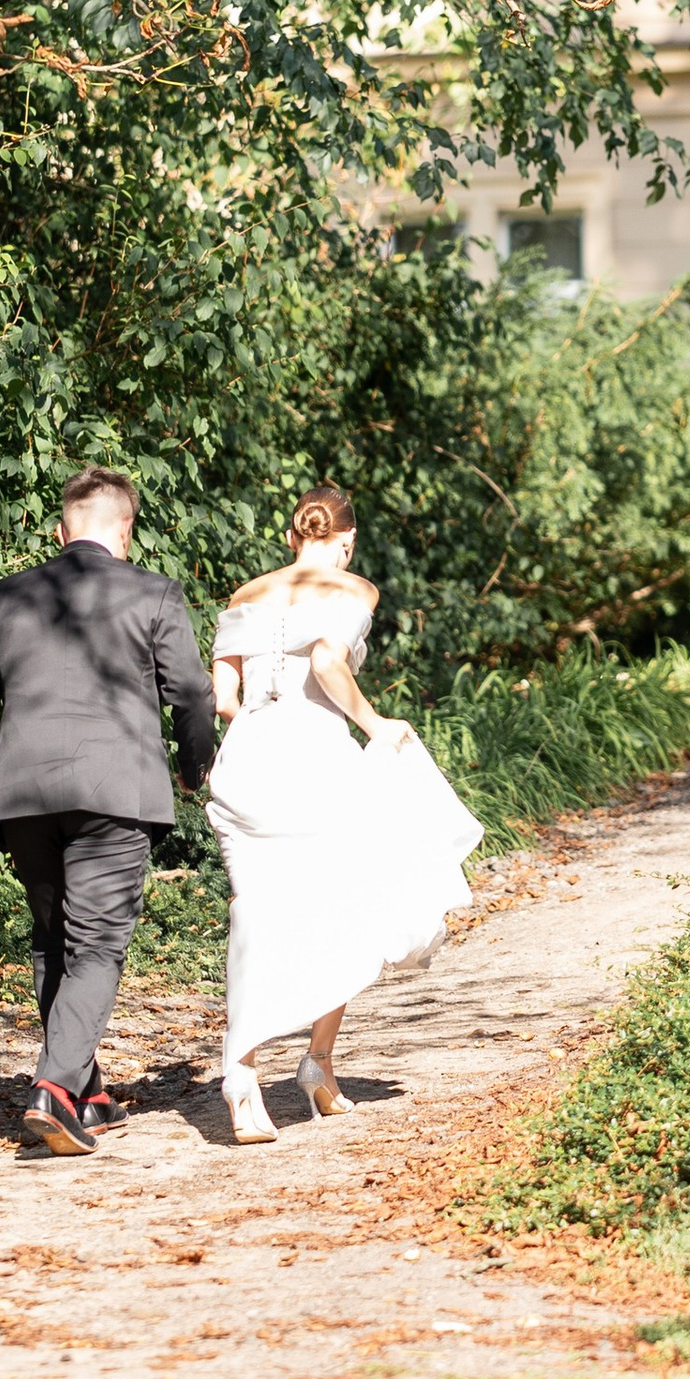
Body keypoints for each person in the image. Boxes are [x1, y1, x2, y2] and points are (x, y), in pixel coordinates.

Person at [0, 467, 218, 1158]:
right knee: (96, 946)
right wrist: (191, 768)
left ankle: (87, 1095)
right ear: (126, 531)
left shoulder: (5, 596)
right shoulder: (154, 593)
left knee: (55, 937)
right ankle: (53, 1089)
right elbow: (193, 693)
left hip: (23, 795)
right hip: (116, 791)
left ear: (62, 532)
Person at [205, 482, 480, 1144]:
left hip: (244, 764)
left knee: (254, 914)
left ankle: (249, 1078)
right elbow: (328, 660)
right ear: (347, 541)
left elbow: (222, 699)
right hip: (314, 761)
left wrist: (259, 738)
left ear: (293, 534)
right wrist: (373, 721)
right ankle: (315, 1061)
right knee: (344, 906)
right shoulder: (354, 591)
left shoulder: (245, 596)